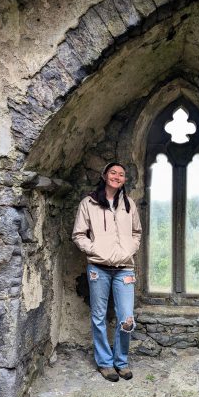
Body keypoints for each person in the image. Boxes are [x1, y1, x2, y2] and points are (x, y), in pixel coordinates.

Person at [72, 162, 142, 382]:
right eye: (113, 172)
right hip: (98, 268)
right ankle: (105, 363)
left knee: (126, 317)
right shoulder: (89, 203)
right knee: (99, 316)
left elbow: (136, 233)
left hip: (124, 268)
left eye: (121, 174)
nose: (117, 176)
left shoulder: (129, 204)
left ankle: (121, 362)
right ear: (104, 175)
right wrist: (95, 251)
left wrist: (127, 250)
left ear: (124, 180)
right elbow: (79, 234)